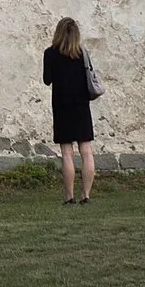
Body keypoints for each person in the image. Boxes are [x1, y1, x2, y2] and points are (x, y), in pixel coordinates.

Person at [42, 17, 97, 204]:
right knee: (86, 150)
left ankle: (69, 196)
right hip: (81, 105)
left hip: (61, 105)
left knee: (67, 152)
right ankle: (86, 195)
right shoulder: (82, 53)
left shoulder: (50, 54)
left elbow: (47, 79)